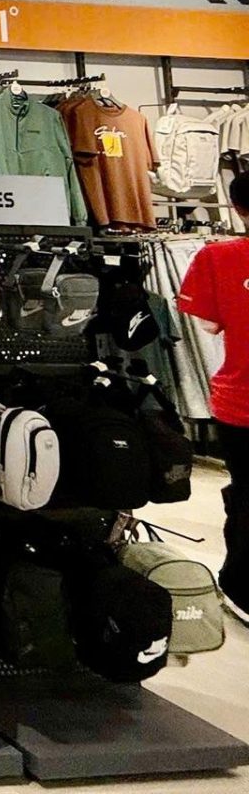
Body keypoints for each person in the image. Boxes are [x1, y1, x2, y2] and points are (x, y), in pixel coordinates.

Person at [177, 169, 249, 624]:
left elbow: (209, 325)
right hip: (240, 401)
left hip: (241, 401)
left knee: (246, 496)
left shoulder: (216, 258)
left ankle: (240, 586)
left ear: (237, 208)